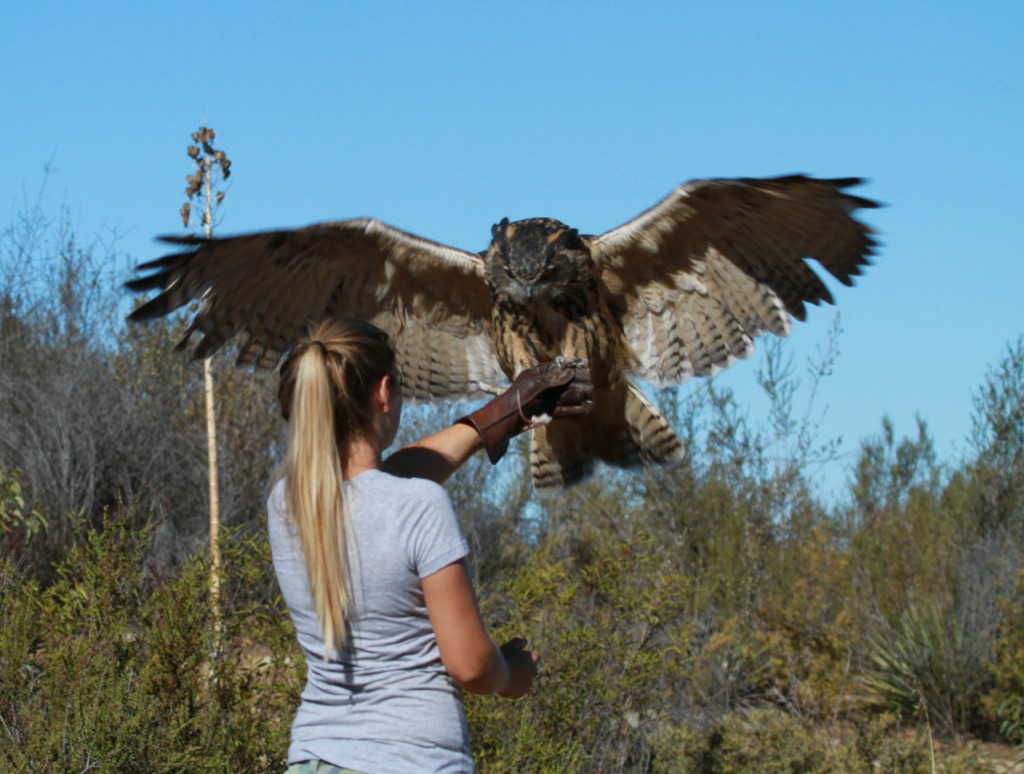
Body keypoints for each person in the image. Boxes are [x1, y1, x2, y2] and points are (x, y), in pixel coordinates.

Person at [268, 317, 590, 773]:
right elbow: (470, 666)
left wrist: (498, 415)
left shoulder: (287, 504)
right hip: (409, 759)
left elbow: (383, 483)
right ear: (385, 393)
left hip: (313, 757)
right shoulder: (418, 505)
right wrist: (508, 674)